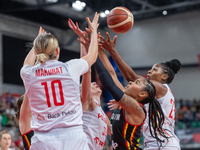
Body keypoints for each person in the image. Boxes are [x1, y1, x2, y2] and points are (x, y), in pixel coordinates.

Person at [20, 12, 99, 150]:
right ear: (57, 50)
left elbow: (26, 63)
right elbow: (92, 57)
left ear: (37, 51)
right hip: (73, 137)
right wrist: (93, 32)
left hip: (43, 140)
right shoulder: (70, 68)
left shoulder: (28, 73)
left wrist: (37, 44)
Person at [99, 32, 181, 149]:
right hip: (153, 144)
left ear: (164, 76)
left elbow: (131, 77)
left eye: (155, 69)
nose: (149, 72)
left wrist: (112, 51)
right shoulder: (148, 97)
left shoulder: (162, 88)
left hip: (164, 144)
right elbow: (115, 79)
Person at [92, 48, 169, 149]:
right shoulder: (125, 104)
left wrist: (93, 54)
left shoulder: (137, 109)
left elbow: (108, 84)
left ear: (142, 94)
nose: (131, 82)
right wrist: (99, 48)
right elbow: (111, 74)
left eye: (136, 83)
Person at [68, 18, 111, 150]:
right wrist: (85, 43)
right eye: (90, 85)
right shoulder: (86, 103)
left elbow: (114, 131)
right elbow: (86, 70)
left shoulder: (101, 113)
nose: (94, 83)